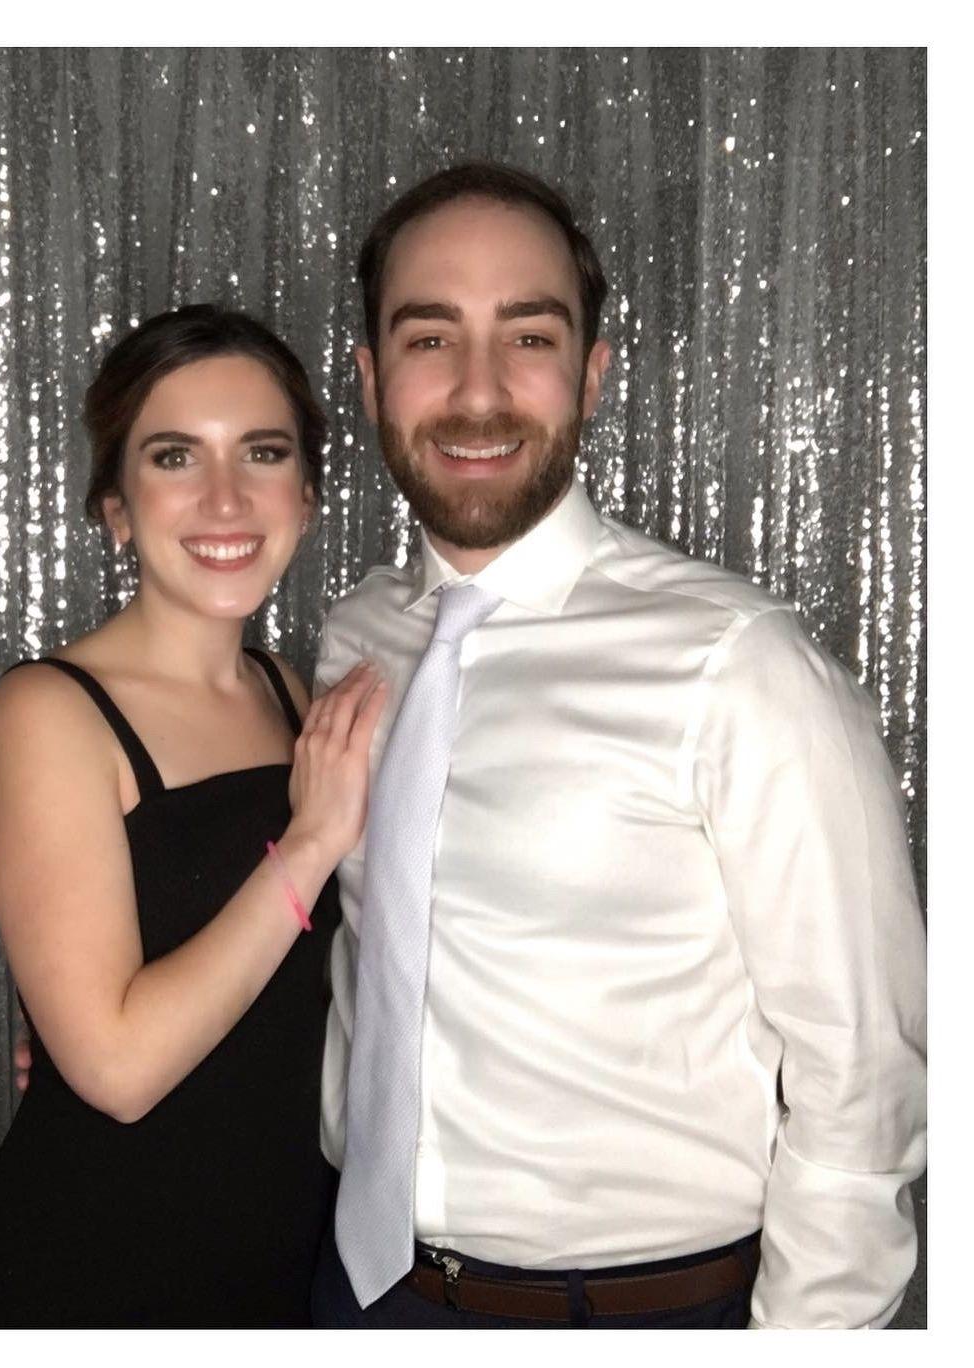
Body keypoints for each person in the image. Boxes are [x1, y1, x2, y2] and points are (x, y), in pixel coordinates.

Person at [310, 163, 927, 1329]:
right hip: (358, 1292)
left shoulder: (740, 664)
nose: (479, 392)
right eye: (430, 338)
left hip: (640, 1316)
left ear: (592, 373)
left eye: (528, 338)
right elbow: (358, 942)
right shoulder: (357, 636)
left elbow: (864, 1074)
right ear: (371, 376)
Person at [0, 304, 387, 1328]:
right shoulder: (50, 710)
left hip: (286, 1260)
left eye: (264, 453)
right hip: (103, 1267)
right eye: (175, 456)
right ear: (116, 506)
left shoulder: (295, 693)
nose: (225, 498)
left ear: (307, 496)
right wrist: (311, 844)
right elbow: (118, 1070)